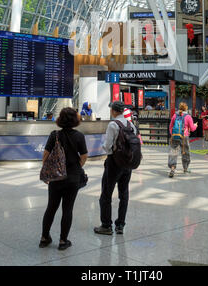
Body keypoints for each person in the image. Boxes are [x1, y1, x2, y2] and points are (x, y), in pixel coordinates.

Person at [40, 108, 88, 250]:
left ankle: (44, 238)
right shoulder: (79, 136)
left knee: (51, 208)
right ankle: (63, 241)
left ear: (60, 119)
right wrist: (75, 167)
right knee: (68, 209)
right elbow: (84, 156)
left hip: (55, 178)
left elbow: (45, 156)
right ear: (75, 120)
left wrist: (49, 172)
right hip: (72, 178)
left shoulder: (54, 135)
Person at [94, 101, 137, 235]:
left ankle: (106, 225)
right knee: (124, 195)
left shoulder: (113, 125)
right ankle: (120, 225)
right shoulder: (131, 125)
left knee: (106, 194)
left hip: (114, 163)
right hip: (127, 164)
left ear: (113, 111)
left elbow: (107, 146)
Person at [168, 102, 197, 178]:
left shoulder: (175, 115)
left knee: (173, 152)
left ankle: (172, 168)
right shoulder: (188, 117)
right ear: (186, 108)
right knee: (185, 152)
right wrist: (195, 125)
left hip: (174, 136)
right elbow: (193, 128)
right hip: (184, 136)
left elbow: (170, 126)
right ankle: (185, 168)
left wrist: (172, 134)